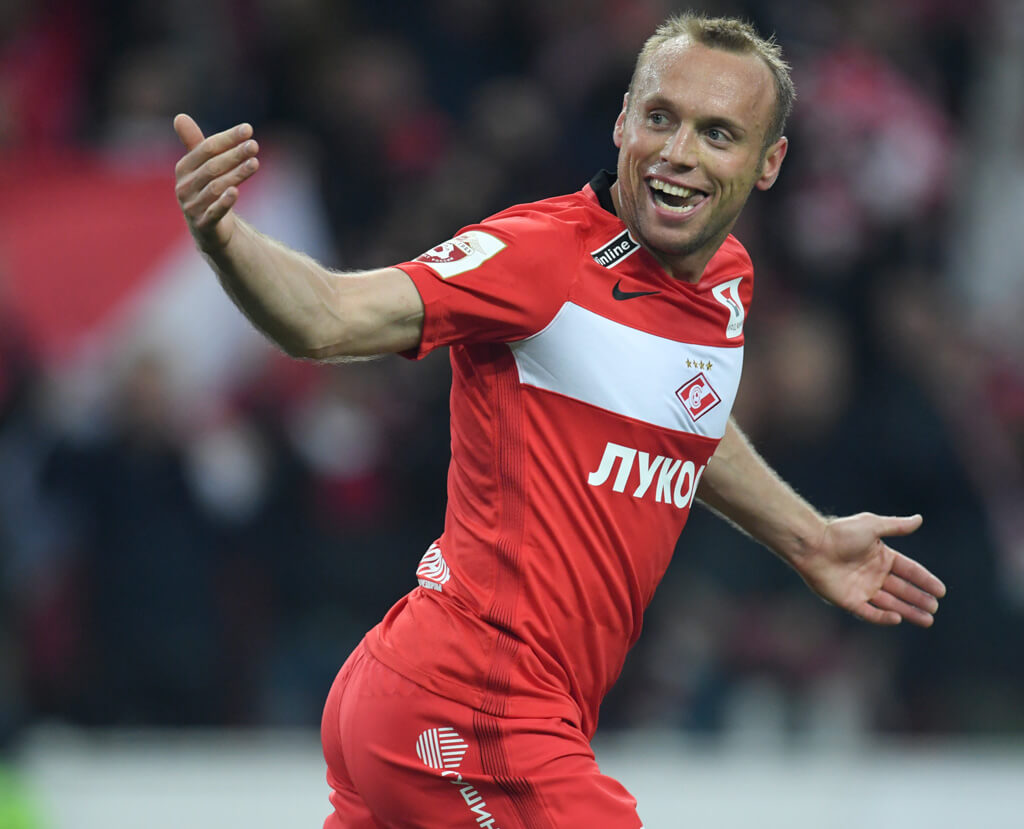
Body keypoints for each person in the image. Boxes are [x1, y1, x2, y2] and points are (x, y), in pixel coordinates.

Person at [172, 12, 946, 828]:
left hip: (453, 702)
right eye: (661, 118)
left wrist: (809, 537)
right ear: (622, 122)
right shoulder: (537, 258)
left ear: (768, 162)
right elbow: (327, 317)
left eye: (718, 133)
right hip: (471, 703)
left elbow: (678, 413)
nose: (679, 152)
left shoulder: (726, 279)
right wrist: (223, 236)